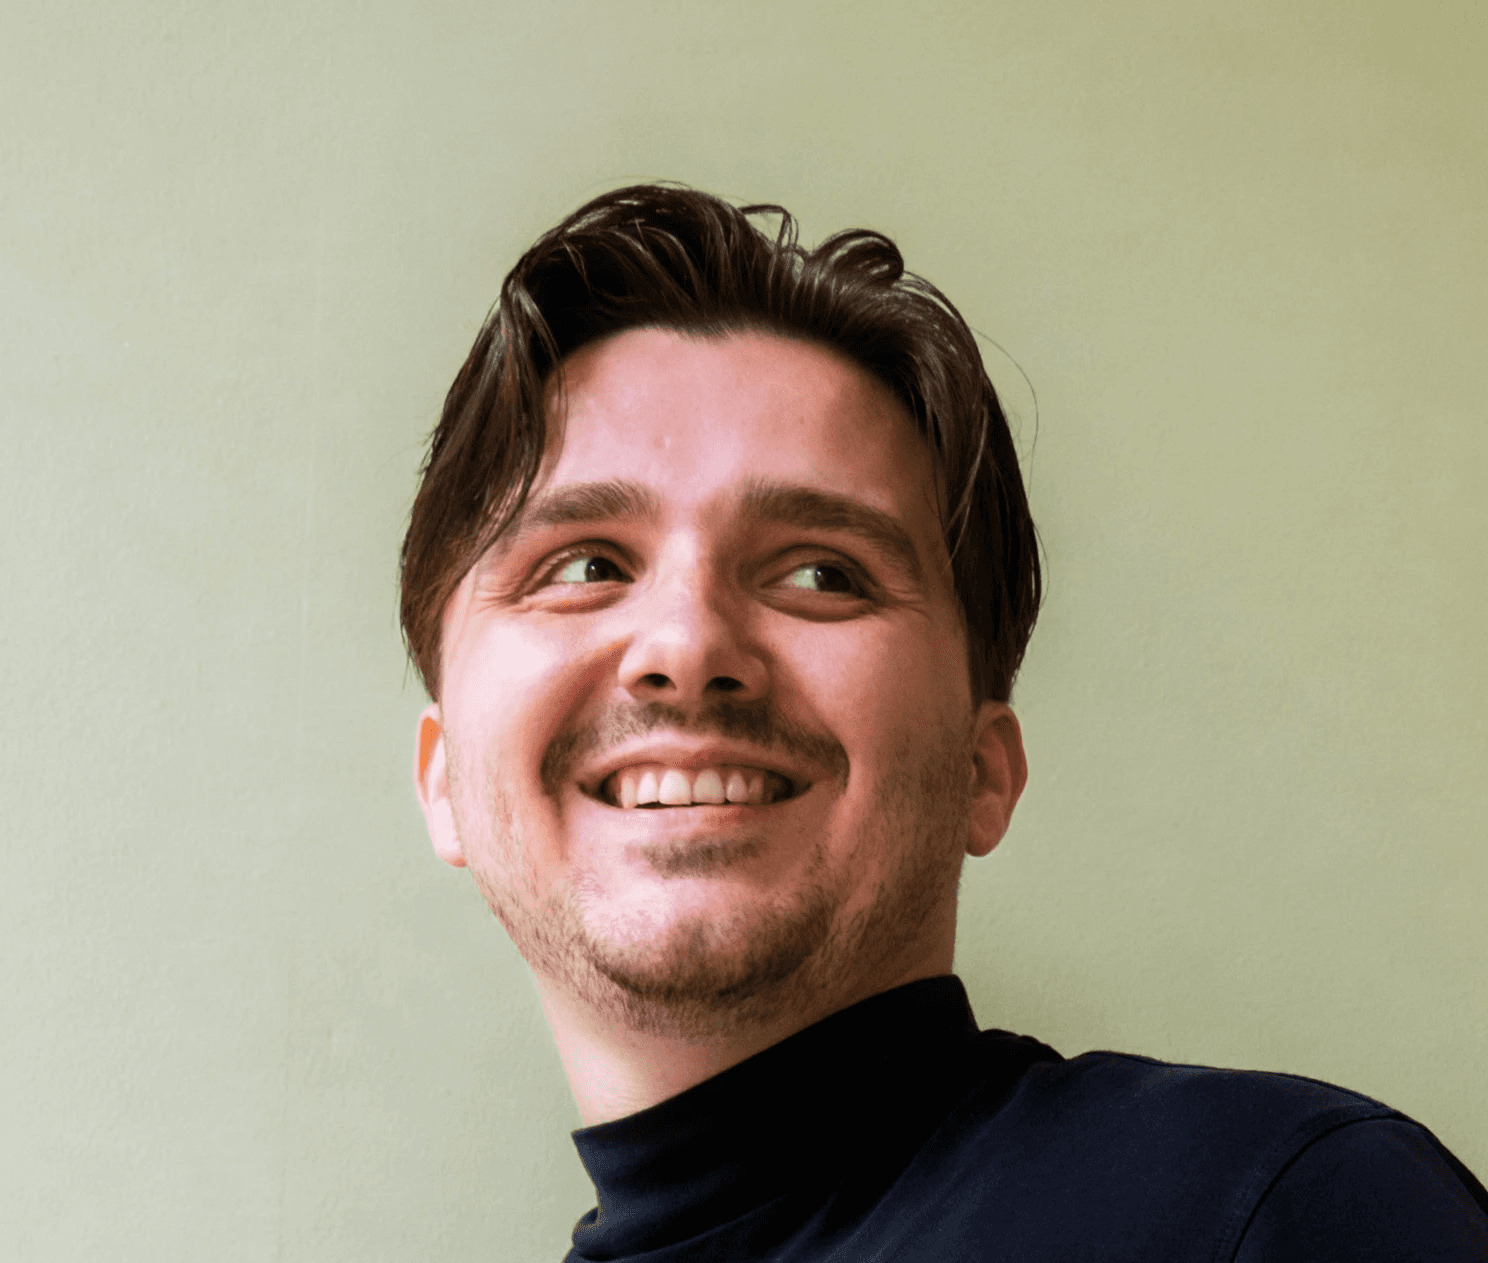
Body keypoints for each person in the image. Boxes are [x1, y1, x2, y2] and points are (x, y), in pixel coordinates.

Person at [401, 184, 1488, 1261]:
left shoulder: (1286, 1215)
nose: (686, 646)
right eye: (586, 565)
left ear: (985, 770)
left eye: (823, 574)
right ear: (444, 780)